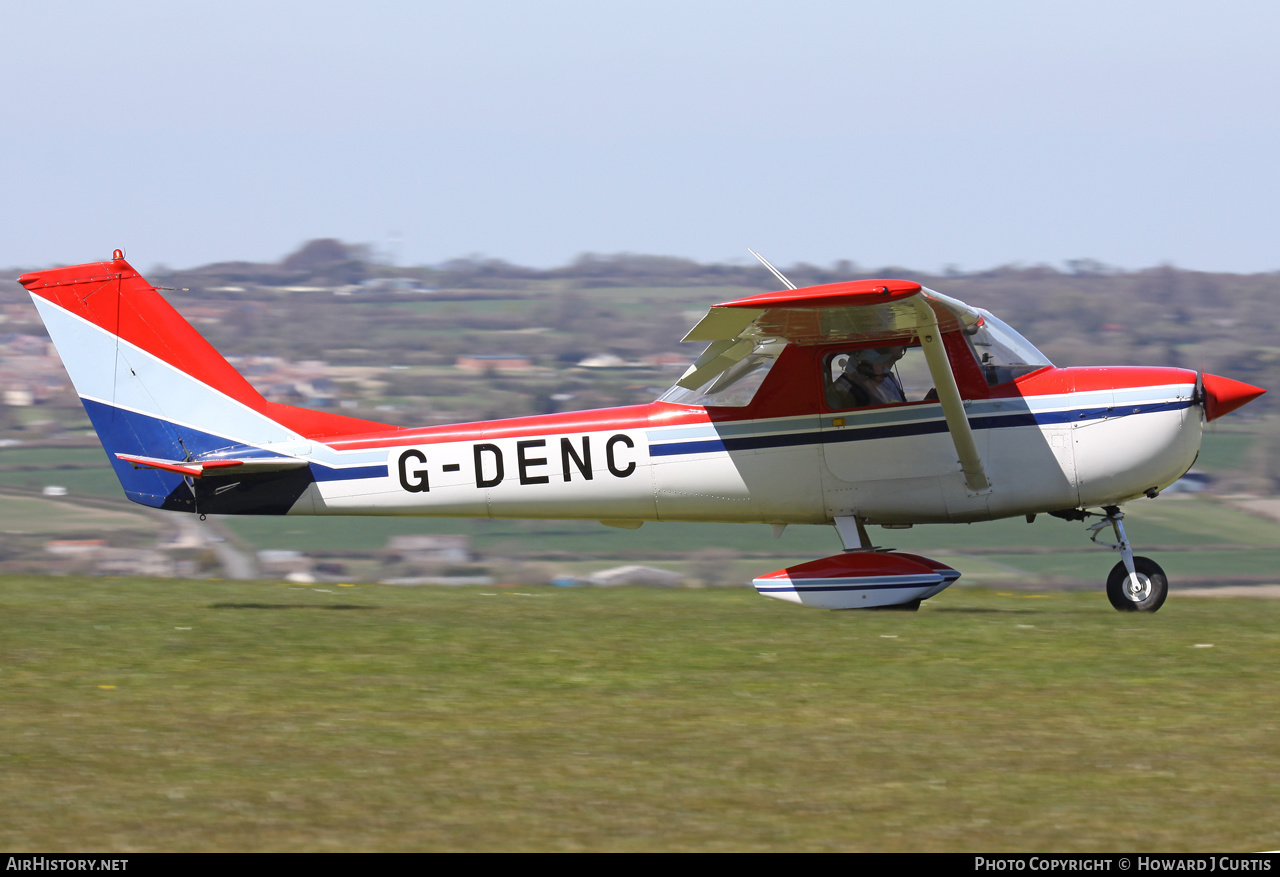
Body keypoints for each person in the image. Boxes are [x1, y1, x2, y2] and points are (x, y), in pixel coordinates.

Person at [830, 346, 907, 408]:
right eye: (878, 364)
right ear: (864, 369)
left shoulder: (888, 378)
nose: (884, 369)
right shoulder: (846, 391)